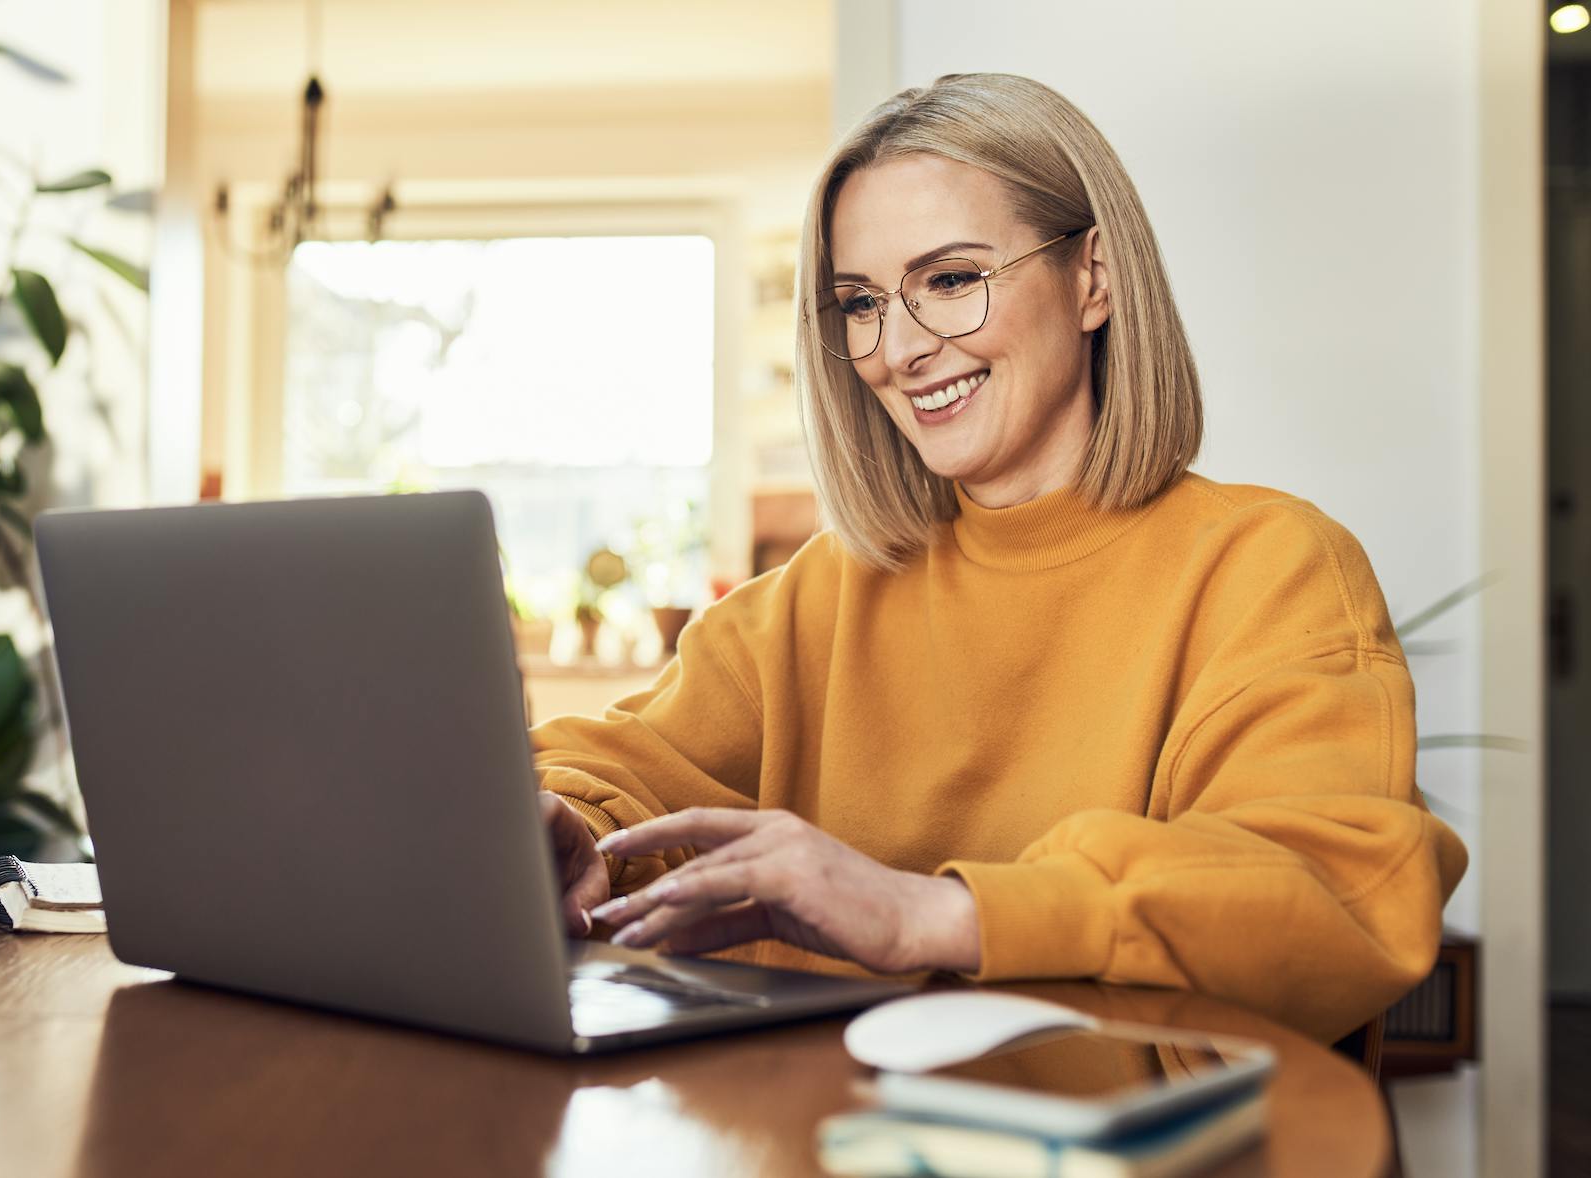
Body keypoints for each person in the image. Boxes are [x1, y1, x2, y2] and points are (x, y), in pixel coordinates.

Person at [532, 73, 1466, 1042]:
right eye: (860, 302)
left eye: (948, 280)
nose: (897, 348)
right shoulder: (817, 594)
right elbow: (620, 761)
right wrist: (566, 820)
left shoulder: (1268, 567)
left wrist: (932, 912)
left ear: (1091, 278)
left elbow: (1336, 892)